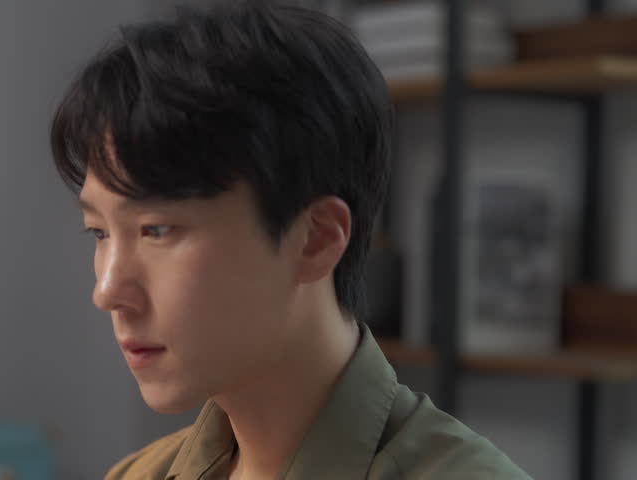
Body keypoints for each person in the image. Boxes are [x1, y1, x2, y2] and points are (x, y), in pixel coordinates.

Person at [49, 1, 531, 479]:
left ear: (316, 240)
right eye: (99, 232)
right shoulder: (138, 475)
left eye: (156, 229)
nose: (107, 290)